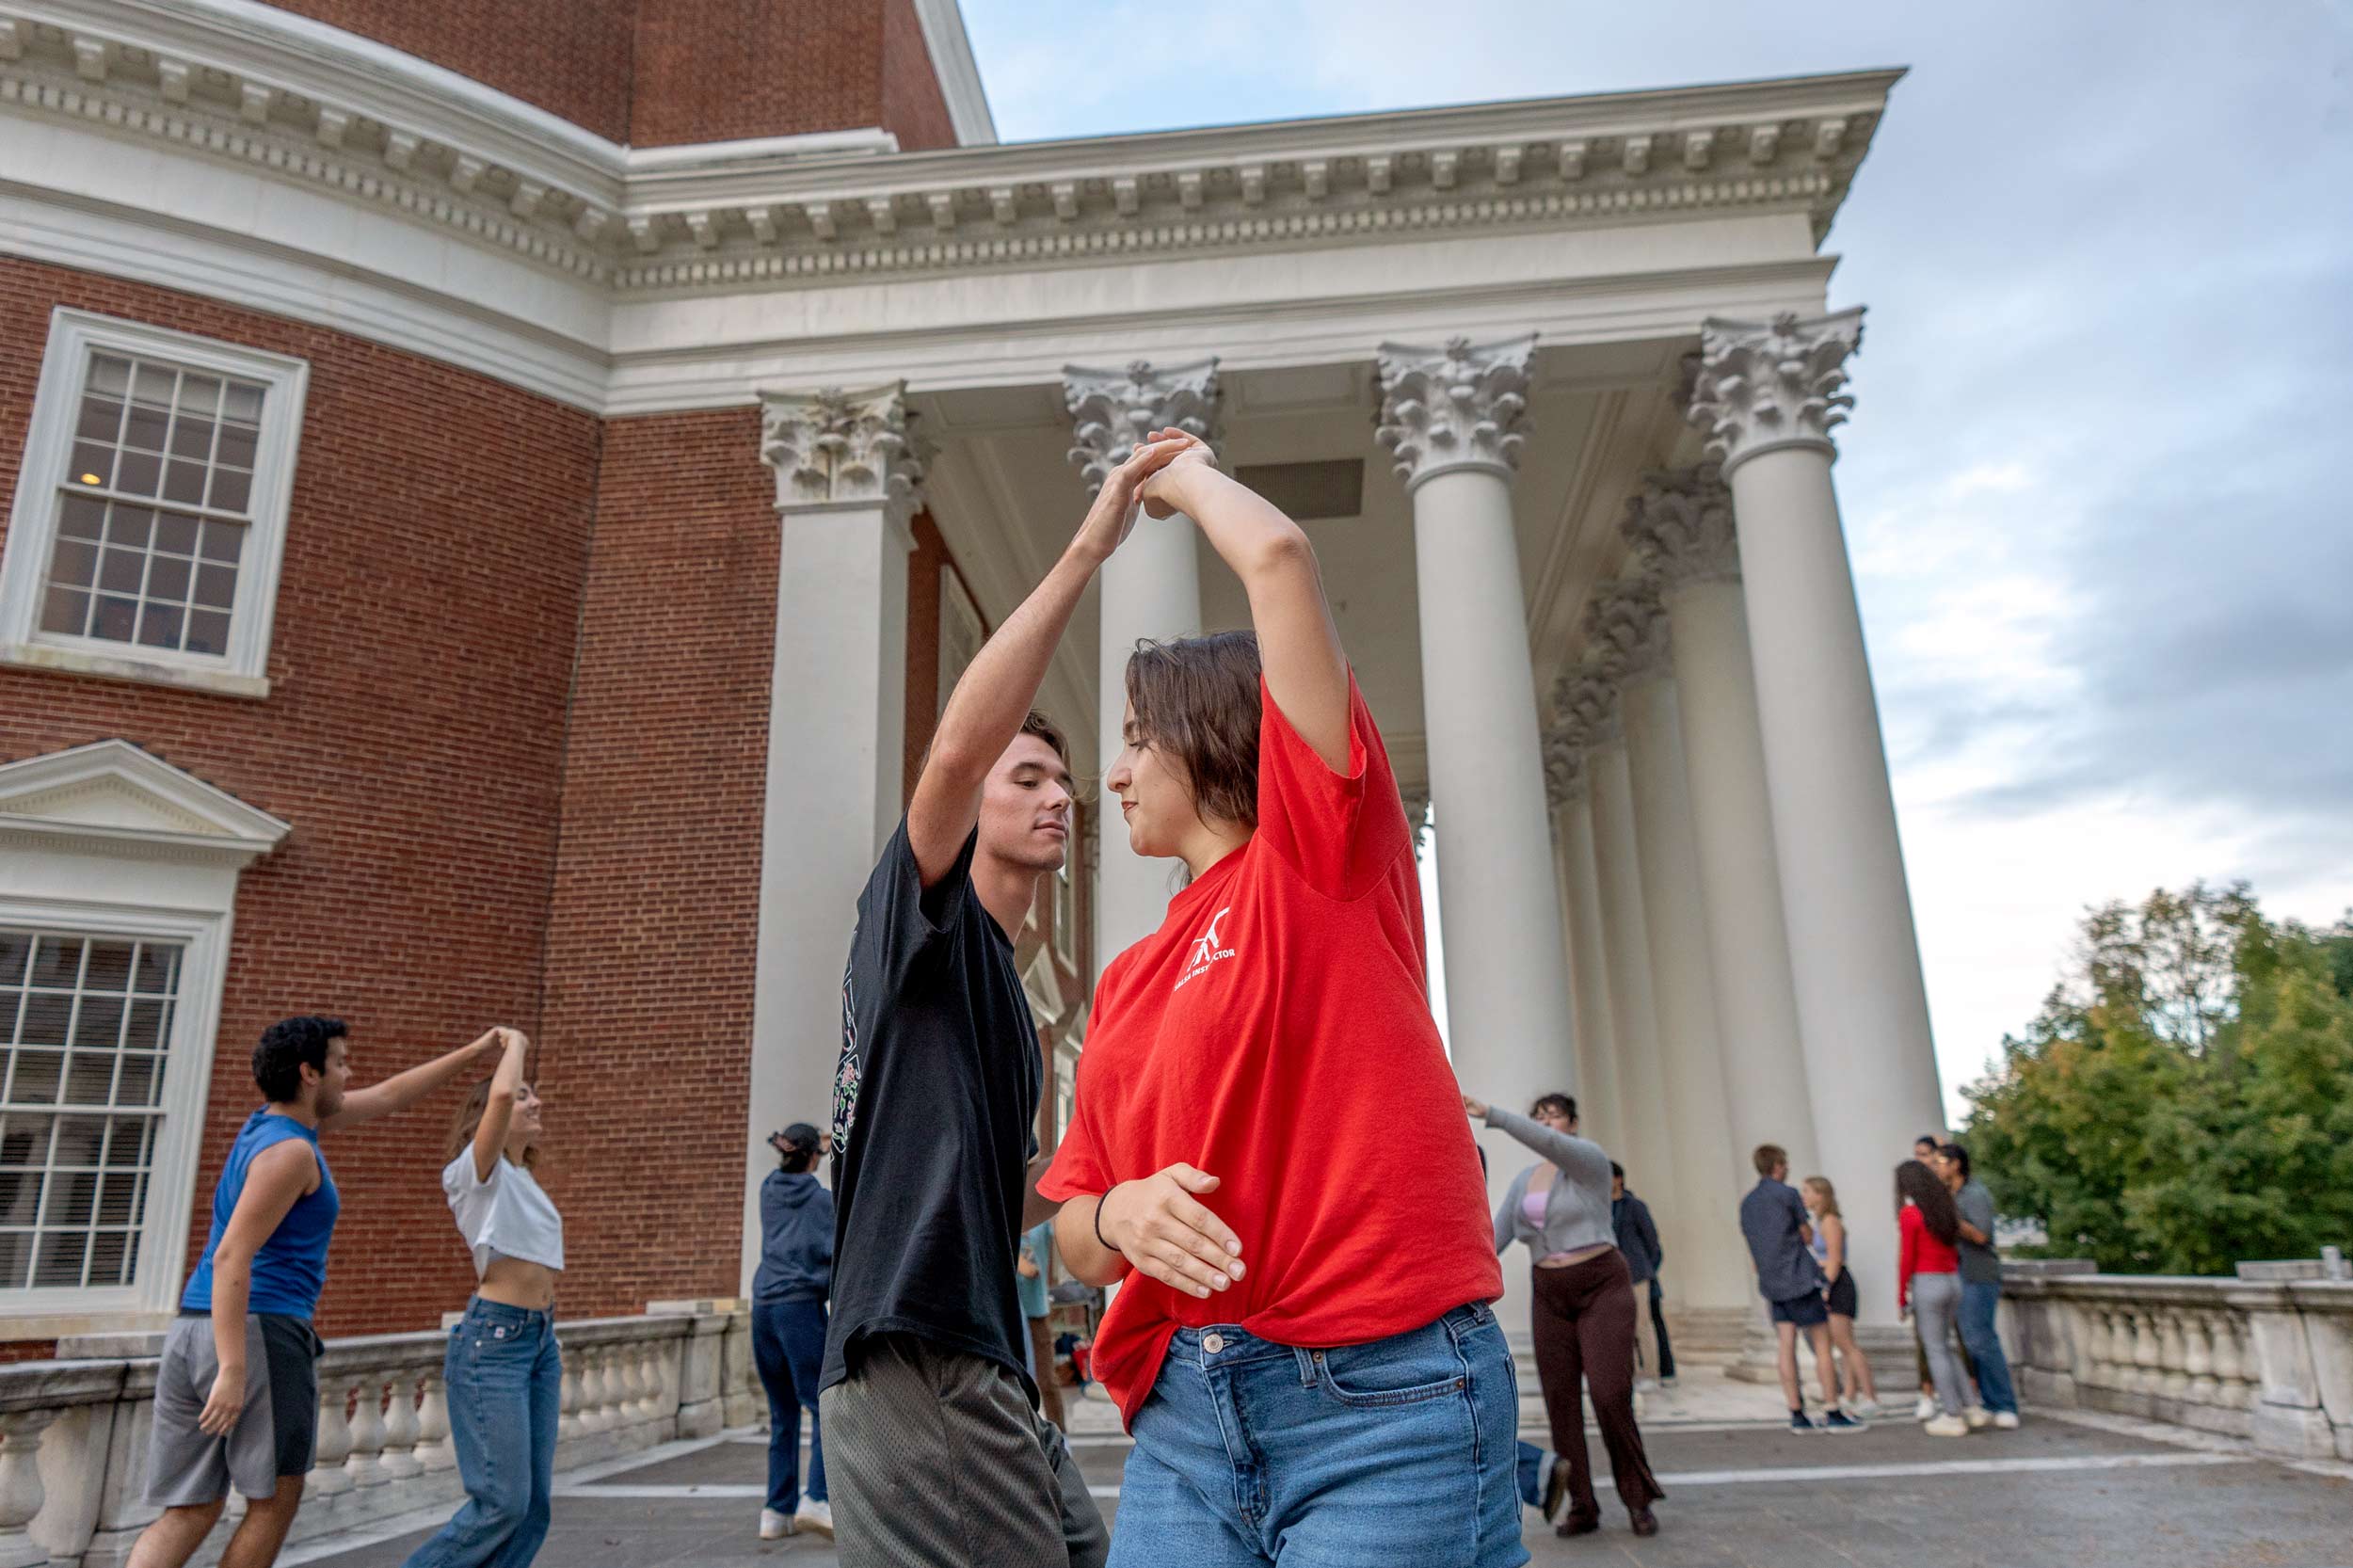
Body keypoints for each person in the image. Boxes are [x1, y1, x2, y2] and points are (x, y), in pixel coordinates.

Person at [1041, 438, 1523, 1568]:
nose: (1112, 776)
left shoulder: (1321, 855)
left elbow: (1278, 556)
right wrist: (1120, 1217)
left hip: (1384, 1400)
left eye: (1132, 739)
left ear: (1209, 735)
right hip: (1188, 1418)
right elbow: (1073, 1220)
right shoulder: (1127, 977)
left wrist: (1177, 472)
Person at [819, 438, 1191, 1568]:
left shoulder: (1005, 990)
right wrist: (1093, 543)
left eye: (1061, 780)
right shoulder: (917, 925)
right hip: (916, 1357)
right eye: (1024, 777)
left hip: (983, 1362)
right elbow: (948, 759)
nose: (1057, 795)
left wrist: (1116, 1206)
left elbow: (1000, 1193)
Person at [130, 1016, 503, 1568]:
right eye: (341, 1064)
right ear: (309, 1073)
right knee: (274, 1501)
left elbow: (391, 1096)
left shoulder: (268, 1127)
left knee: (191, 1508)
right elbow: (235, 1255)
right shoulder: (292, 1155)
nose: (349, 1076)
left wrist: (474, 1051)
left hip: (194, 1326)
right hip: (258, 1330)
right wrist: (233, 1369)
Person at [403, 1027, 567, 1568]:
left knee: (532, 1508)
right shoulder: (475, 1175)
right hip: (495, 1342)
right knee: (500, 1503)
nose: (533, 1100)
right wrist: (515, 1042)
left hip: (539, 1342)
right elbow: (499, 1094)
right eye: (525, 1094)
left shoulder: (524, 1179)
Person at [1476, 1093, 1662, 1538]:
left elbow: (1554, 1146)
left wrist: (1494, 1116)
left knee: (1609, 1393)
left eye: (1553, 1116)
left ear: (1573, 1123)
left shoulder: (1590, 1162)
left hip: (1601, 1283)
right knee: (1561, 1400)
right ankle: (1582, 1504)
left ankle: (1638, 1498)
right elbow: (1496, 1236)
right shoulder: (1525, 1181)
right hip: (1550, 1290)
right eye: (1538, 1116)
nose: (1545, 1122)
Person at [1739, 1144, 1863, 1432]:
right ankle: (1832, 1409)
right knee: (1821, 1345)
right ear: (1779, 1166)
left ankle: (1796, 1412)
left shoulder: (1748, 1202)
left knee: (1785, 1345)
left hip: (1771, 1280)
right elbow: (1806, 1234)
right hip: (1799, 1277)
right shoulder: (1787, 1194)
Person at [752, 1124, 833, 1541]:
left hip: (762, 1308)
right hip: (799, 1308)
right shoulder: (821, 1201)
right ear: (813, 1158)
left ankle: (776, 1511)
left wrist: (811, 1147)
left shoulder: (768, 1189)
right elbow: (836, 1250)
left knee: (782, 1413)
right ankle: (817, 1498)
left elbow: (796, 1163)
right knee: (822, 1403)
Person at [1939, 1143, 2020, 1430]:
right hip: (1958, 1272)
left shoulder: (1974, 1194)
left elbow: (1982, 1235)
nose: (1937, 1168)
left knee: (1981, 1339)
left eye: (1941, 1162)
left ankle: (2004, 1404)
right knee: (1970, 1342)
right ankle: (1988, 1401)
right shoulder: (1950, 1194)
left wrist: (1951, 1219)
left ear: (1955, 1164)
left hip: (1978, 1272)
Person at [1897, 1159, 1973, 1436]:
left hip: (1927, 1281)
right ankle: (1970, 1405)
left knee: (1935, 1349)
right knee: (1948, 1346)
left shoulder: (1910, 1214)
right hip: (1952, 1279)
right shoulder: (1944, 1210)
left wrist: (1901, 1295)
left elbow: (1907, 1257)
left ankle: (1953, 1414)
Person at [1800, 1176, 1881, 1417]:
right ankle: (1850, 1393)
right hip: (1829, 1281)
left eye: (1807, 1191)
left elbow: (1835, 1259)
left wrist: (1825, 1288)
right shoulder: (1820, 1222)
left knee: (1846, 1344)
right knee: (1840, 1344)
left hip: (1837, 1284)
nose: (1804, 1196)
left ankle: (1869, 1395)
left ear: (1820, 1195)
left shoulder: (1830, 1222)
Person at [1609, 1161, 1669, 1390]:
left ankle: (1651, 1372)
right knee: (1621, 1328)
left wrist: (1649, 1269)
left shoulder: (1634, 1206)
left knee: (1642, 1325)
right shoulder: (1602, 1207)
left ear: (1618, 1179)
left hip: (1637, 1275)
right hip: (1614, 1277)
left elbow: (1652, 1242)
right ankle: (1630, 1372)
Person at [1018, 1217, 1068, 1429]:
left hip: (1037, 1311)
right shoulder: (998, 1217)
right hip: (1008, 1313)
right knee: (1016, 1381)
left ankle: (1061, 1436)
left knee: (1047, 1379)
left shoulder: (1041, 1223)